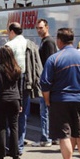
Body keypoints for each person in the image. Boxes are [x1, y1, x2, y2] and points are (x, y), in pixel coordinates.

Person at [40, 28, 80, 159]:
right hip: (79, 99)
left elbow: (45, 83)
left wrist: (48, 101)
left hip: (60, 100)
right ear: (73, 40)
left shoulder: (54, 58)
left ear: (59, 40)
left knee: (64, 135)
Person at [6, 22, 42, 156]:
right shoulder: (31, 44)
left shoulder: (9, 45)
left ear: (12, 32)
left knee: (10, 115)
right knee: (22, 115)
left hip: (12, 81)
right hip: (27, 81)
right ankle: (19, 146)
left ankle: (10, 146)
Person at [0, 45, 22, 159]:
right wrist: (20, 102)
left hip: (1, 98)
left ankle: (1, 154)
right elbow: (20, 87)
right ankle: (15, 154)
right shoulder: (17, 68)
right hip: (15, 98)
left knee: (1, 127)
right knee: (14, 127)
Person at [33, 18, 57, 148]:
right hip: (49, 81)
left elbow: (50, 63)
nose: (38, 30)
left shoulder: (48, 42)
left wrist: (46, 82)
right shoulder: (45, 41)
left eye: (41, 28)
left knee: (45, 112)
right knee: (49, 111)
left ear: (47, 28)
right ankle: (53, 137)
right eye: (37, 28)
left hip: (47, 82)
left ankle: (45, 138)